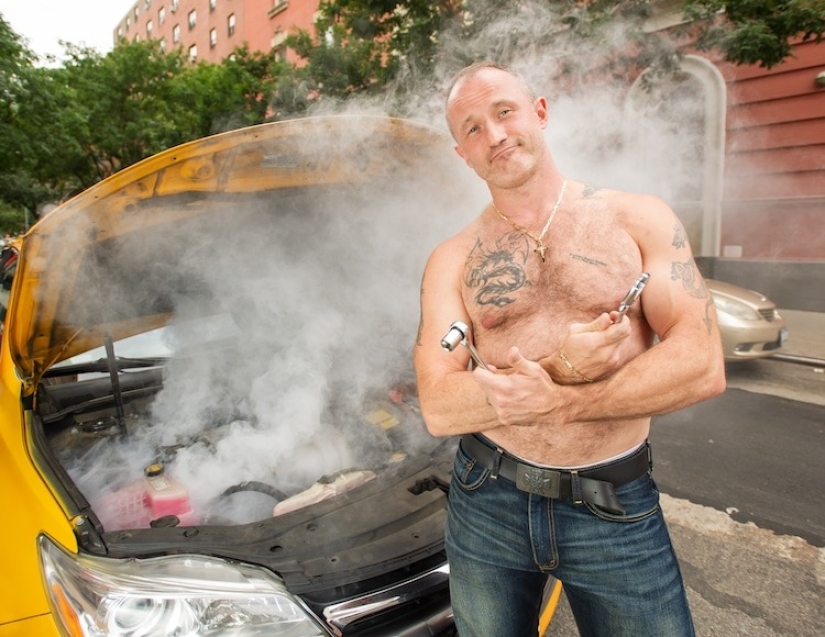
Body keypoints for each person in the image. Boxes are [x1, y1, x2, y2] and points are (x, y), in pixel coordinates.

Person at [413, 62, 726, 637]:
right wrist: (561, 369)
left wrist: (560, 400)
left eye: (504, 112)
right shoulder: (453, 259)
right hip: (486, 502)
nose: (495, 134)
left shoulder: (637, 219)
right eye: (472, 128)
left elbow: (701, 365)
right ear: (462, 154)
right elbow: (438, 403)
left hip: (613, 505)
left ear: (540, 112)